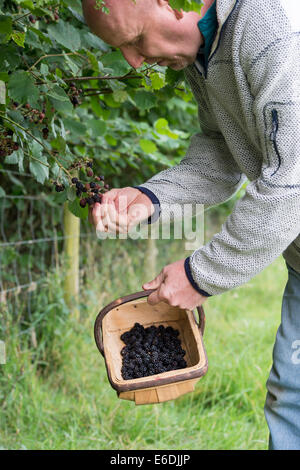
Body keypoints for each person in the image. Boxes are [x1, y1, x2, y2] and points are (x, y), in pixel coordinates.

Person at [82, 0, 300, 449]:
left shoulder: (272, 30)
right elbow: (222, 151)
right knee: (292, 400)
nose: (134, 60)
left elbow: (291, 182)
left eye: (136, 39)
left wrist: (202, 275)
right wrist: (151, 197)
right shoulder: (205, 52)